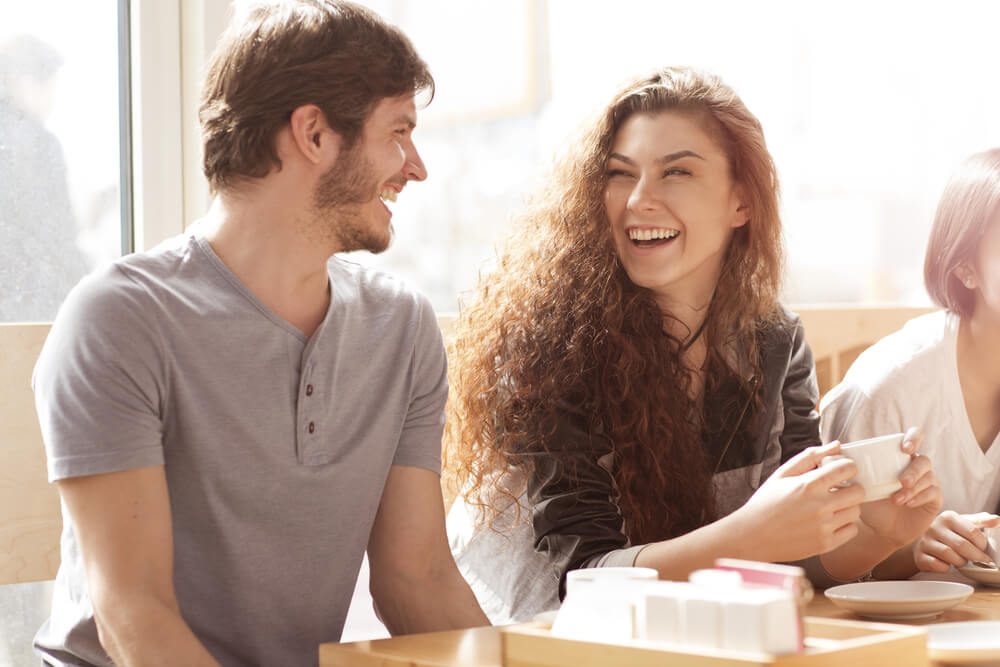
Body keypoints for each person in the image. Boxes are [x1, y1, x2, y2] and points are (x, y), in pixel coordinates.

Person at [32, 2, 487, 665]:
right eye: (398, 132)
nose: (414, 166)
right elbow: (133, 615)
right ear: (313, 133)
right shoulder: (119, 317)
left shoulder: (402, 328)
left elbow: (417, 578)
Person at [444, 67, 941, 624]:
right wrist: (753, 533)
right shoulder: (552, 348)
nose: (638, 200)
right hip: (534, 643)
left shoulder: (774, 342)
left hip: (688, 638)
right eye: (619, 174)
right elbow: (580, 585)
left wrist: (877, 534)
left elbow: (794, 557)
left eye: (676, 171)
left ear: (741, 204)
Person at [822, 148, 1000, 575]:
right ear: (965, 270)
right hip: (883, 631)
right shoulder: (890, 389)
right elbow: (824, 565)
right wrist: (913, 547)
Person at [0, 34, 90, 322]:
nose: (53, 100)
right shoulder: (37, 143)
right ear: (23, 81)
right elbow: (56, 233)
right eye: (50, 87)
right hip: (31, 303)